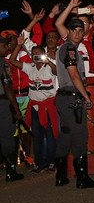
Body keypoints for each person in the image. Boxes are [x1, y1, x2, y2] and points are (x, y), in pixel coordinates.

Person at [52, 15, 94, 189]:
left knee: (66, 137)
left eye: (81, 30)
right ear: (69, 32)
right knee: (80, 137)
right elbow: (73, 74)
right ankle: (82, 178)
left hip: (65, 99)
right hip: (72, 99)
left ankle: (61, 176)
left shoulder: (67, 48)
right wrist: (86, 96)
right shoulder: (70, 49)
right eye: (75, 30)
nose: (78, 34)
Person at [9, 33, 58, 175]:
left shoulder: (49, 67)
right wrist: (19, 45)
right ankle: (39, 163)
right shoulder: (29, 67)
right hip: (35, 107)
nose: (36, 57)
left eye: (39, 54)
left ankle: (51, 162)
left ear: (43, 54)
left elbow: (57, 71)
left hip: (48, 106)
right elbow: (12, 60)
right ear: (31, 56)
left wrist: (47, 61)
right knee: (36, 136)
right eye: (34, 54)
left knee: (50, 135)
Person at [1, 36, 24, 182]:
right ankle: (10, 171)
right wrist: (16, 108)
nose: (7, 48)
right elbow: (7, 86)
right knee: (7, 137)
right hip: (2, 103)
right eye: (4, 45)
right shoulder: (1, 62)